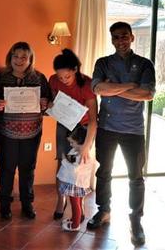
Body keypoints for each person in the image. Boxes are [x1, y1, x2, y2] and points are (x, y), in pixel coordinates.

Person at [87, 22, 155, 246]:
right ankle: (103, 210)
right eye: (116, 37)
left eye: (124, 36)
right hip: (107, 128)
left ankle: (136, 221)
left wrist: (113, 88)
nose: (120, 41)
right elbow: (98, 89)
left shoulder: (145, 64)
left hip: (134, 130)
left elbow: (147, 94)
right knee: (104, 173)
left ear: (132, 38)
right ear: (112, 40)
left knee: (135, 177)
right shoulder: (103, 63)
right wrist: (129, 86)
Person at [0, 42, 51, 220]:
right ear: (10, 57)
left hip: (31, 133)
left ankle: (27, 204)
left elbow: (48, 106)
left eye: (24, 57)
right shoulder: (0, 76)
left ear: (30, 59)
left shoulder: (40, 78)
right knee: (7, 168)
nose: (19, 60)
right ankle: (4, 205)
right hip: (6, 132)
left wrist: (44, 104)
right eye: (15, 56)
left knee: (28, 169)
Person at [48, 48, 97, 220]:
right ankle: (60, 201)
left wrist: (86, 146)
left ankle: (79, 204)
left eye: (67, 77)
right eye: (60, 77)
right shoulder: (53, 80)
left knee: (78, 167)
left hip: (83, 129)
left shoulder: (87, 85)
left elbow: (93, 120)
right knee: (62, 163)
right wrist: (49, 106)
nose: (64, 80)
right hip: (63, 125)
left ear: (75, 70)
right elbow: (53, 103)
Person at [57, 126, 95, 231]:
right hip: (77, 183)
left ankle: (75, 225)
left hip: (75, 184)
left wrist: (64, 159)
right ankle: (75, 219)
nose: (70, 145)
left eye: (72, 142)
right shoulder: (77, 150)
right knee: (76, 203)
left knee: (75, 204)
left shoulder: (81, 155)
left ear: (80, 141)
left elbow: (74, 166)